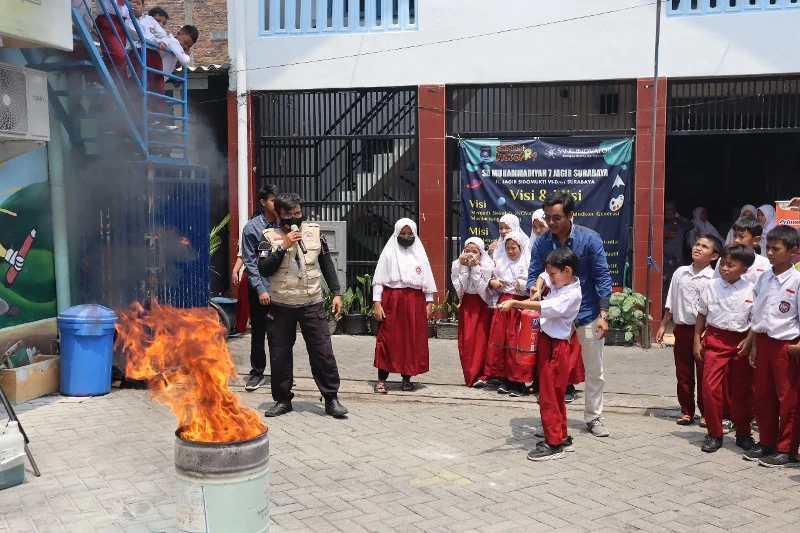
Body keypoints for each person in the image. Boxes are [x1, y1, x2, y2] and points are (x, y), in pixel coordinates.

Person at [527, 191, 613, 437]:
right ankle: (552, 423)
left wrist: (604, 313)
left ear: (570, 215)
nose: (551, 223)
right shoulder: (543, 242)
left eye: (556, 218)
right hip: (556, 316)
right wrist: (535, 286)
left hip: (587, 314)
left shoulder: (590, 239)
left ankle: (594, 417)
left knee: (594, 368)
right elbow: (535, 272)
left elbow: (602, 278)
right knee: (550, 371)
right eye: (547, 218)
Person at [257, 193, 348, 418]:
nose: (294, 218)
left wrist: (336, 293)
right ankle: (282, 400)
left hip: (311, 303)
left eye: (298, 213)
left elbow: (327, 264)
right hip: (282, 305)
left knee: (322, 352)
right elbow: (264, 269)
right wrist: (283, 247)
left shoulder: (314, 233)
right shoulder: (268, 237)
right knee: (279, 355)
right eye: (289, 215)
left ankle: (331, 399)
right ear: (278, 215)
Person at [500, 247, 582, 461]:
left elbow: (542, 306)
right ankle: (561, 435)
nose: (551, 278)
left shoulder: (569, 295)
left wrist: (514, 303)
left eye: (554, 274)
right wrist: (537, 287)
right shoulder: (561, 281)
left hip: (556, 347)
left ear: (567, 270)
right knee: (554, 393)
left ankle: (554, 444)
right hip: (549, 343)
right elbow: (542, 276)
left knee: (548, 394)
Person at [743, 225, 800, 467]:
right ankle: (767, 442)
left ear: (793, 251)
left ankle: (786, 448)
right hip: (764, 342)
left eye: (777, 249)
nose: (770, 253)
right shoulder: (764, 277)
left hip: (787, 345)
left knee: (788, 398)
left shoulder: (797, 280)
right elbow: (758, 313)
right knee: (762, 395)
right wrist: (754, 343)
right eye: (769, 248)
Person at [694, 244, 757, 453]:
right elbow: (701, 314)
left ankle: (743, 432)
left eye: (731, 265)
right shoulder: (711, 287)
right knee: (710, 389)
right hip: (715, 340)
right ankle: (714, 433)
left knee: (742, 390)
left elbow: (755, 320)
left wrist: (750, 341)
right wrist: (697, 340)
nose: (725, 268)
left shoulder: (751, 289)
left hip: (741, 343)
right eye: (723, 264)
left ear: (744, 270)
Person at [656, 235, 722, 426]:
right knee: (683, 373)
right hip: (682, 329)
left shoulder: (714, 278)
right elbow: (671, 300)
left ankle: (706, 412)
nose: (698, 248)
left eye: (704, 247)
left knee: (704, 374)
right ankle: (686, 411)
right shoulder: (680, 273)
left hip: (704, 332)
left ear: (714, 255)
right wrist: (663, 324)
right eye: (697, 244)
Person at [372, 219, 436, 393]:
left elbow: (427, 280)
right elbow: (379, 280)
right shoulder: (388, 253)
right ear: (396, 233)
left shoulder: (420, 254)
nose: (406, 237)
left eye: (410, 234)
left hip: (414, 301)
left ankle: (407, 378)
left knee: (411, 339)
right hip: (392, 299)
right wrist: (377, 302)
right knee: (387, 338)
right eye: (403, 233)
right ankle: (381, 380)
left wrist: (429, 302)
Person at [241, 185, 281, 392]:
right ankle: (257, 372)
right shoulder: (252, 228)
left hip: (282, 289)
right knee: (259, 332)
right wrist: (261, 290)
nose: (276, 204)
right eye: (273, 200)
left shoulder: (286, 225)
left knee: (281, 335)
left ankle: (282, 374)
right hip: (261, 290)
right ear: (263, 202)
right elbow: (250, 262)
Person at [487, 231, 530, 396]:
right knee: (503, 342)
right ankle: (505, 379)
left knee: (518, 344)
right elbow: (490, 277)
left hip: (520, 306)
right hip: (504, 305)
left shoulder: (528, 261)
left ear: (521, 247)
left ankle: (518, 382)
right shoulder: (501, 263)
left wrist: (521, 284)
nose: (511, 251)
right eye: (508, 248)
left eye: (514, 248)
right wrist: (493, 282)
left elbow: (536, 283)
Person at [451, 237, 494, 388]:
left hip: (482, 306)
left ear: (481, 253)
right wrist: (464, 268)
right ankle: (470, 374)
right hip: (467, 306)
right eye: (467, 251)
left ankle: (483, 374)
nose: (470, 255)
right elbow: (460, 289)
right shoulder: (457, 265)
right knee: (467, 341)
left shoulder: (487, 266)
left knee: (482, 341)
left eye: (474, 252)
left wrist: (475, 268)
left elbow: (483, 290)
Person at [663, 203, 695, 297]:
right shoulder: (661, 223)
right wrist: (665, 235)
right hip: (665, 257)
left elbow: (692, 226)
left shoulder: (680, 223)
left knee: (679, 282)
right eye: (667, 213)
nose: (669, 215)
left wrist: (678, 216)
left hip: (678, 257)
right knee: (665, 284)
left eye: (671, 213)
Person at [231, 251, 250, 335]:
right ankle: (240, 327)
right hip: (251, 270)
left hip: (271, 271)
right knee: (243, 299)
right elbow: (242, 254)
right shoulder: (248, 237)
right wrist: (235, 271)